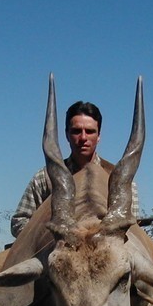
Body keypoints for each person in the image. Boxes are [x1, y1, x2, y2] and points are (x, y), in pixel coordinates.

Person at [11, 101, 139, 238]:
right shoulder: (44, 178)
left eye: (90, 132)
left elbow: (134, 229)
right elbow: (19, 222)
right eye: (76, 131)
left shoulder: (123, 181)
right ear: (66, 134)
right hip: (57, 253)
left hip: (107, 254)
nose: (83, 138)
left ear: (99, 136)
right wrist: (50, 234)